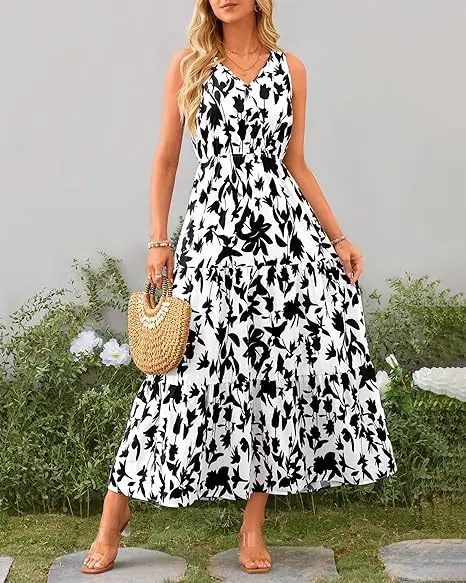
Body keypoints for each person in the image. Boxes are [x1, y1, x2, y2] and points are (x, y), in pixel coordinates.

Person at [81, 0, 397, 575]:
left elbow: (296, 164)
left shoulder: (291, 69)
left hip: (283, 241)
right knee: (180, 374)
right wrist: (158, 239)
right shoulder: (190, 63)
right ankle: (113, 516)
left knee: (272, 373)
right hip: (214, 235)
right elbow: (166, 159)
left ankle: (253, 525)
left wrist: (339, 236)